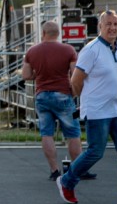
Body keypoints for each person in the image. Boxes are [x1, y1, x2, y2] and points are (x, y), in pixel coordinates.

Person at [57, 10, 117, 204]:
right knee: (96, 152)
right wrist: (86, 100)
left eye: (116, 24)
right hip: (98, 111)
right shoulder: (91, 50)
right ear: (100, 26)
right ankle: (67, 181)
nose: (112, 27)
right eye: (108, 24)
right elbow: (76, 80)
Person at [22, 21, 86, 181]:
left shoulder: (32, 51)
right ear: (58, 34)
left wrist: (40, 75)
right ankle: (77, 169)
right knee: (73, 133)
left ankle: (54, 170)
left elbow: (26, 75)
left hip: (42, 96)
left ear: (43, 33)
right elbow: (75, 75)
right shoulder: (68, 50)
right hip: (63, 95)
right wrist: (74, 93)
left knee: (47, 133)